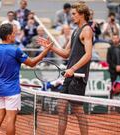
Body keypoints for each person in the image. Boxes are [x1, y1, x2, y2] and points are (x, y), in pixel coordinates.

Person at [37, 1, 93, 135]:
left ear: (81, 15)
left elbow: (88, 55)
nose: (71, 16)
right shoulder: (75, 31)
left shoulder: (87, 30)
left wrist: (73, 69)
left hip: (78, 77)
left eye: (74, 14)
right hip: (69, 76)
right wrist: (51, 47)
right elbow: (66, 53)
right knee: (61, 108)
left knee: (78, 111)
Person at [0, 23, 52, 135]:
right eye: (14, 33)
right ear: (8, 36)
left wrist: (1, 76)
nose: (16, 35)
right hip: (12, 91)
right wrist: (46, 50)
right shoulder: (15, 50)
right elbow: (32, 63)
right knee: (10, 120)